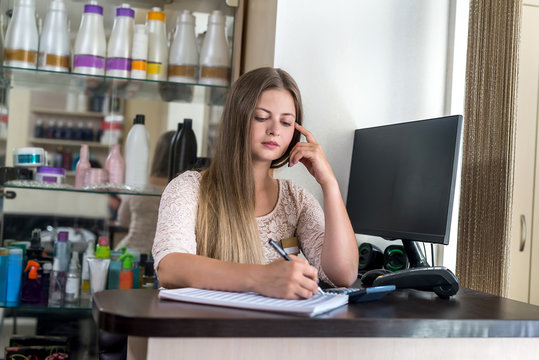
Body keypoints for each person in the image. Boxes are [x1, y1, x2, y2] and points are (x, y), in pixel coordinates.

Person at [152, 67, 358, 299]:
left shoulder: (296, 199)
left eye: (286, 122)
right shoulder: (188, 189)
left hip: (272, 332)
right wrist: (261, 278)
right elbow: (169, 267)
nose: (274, 130)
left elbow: (343, 275)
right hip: (208, 330)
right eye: (261, 117)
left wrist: (329, 183)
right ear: (237, 118)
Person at [114, 130, 175, 254]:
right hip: (163, 257)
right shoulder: (182, 190)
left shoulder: (139, 185)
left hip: (129, 252)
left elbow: (123, 220)